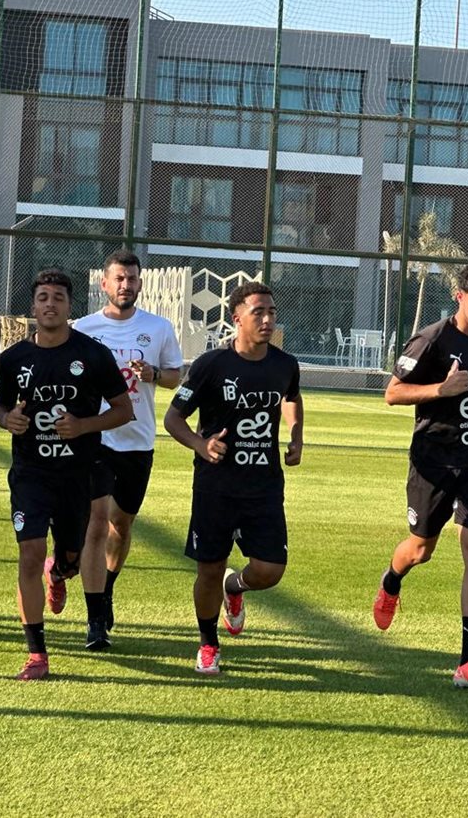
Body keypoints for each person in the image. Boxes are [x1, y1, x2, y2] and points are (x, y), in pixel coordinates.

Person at [371, 263, 468, 688]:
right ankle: (391, 580)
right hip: (433, 462)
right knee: (420, 550)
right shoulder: (431, 340)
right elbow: (392, 393)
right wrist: (440, 390)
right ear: (458, 296)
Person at [0, 269, 132, 680]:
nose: (50, 304)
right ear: (33, 306)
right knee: (29, 553)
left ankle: (61, 570)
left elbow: (123, 410)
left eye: (57, 298)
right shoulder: (15, 359)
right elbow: (1, 407)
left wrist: (84, 425)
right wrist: (7, 420)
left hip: (78, 474)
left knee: (71, 557)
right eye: (43, 298)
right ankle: (37, 653)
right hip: (31, 473)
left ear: (70, 306)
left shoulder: (92, 354)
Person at [164, 281, 303, 676]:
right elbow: (173, 418)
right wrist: (200, 444)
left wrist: (296, 435)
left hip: (264, 485)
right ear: (236, 318)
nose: (267, 319)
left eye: (272, 312)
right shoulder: (211, 365)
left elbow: (291, 397)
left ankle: (234, 587)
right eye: (258, 312)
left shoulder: (284, 364)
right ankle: (208, 643)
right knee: (208, 569)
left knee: (270, 570)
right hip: (216, 486)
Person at [74, 250, 183, 643]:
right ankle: (95, 614)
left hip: (138, 441)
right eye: (119, 278)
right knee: (97, 521)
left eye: (132, 278)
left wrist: (154, 374)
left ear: (140, 283)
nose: (126, 285)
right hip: (97, 438)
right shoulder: (84, 328)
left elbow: (175, 376)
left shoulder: (158, 328)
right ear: (104, 283)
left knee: (121, 524)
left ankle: (106, 587)